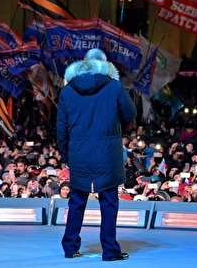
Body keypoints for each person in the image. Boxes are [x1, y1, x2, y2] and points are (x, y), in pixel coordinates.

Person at [56, 48, 136, 261]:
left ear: (84, 63)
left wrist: (66, 155)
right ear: (105, 63)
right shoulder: (114, 86)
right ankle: (110, 250)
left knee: (77, 200)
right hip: (107, 154)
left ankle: (70, 246)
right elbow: (130, 114)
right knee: (109, 202)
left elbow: (61, 128)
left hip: (79, 153)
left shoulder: (67, 90)